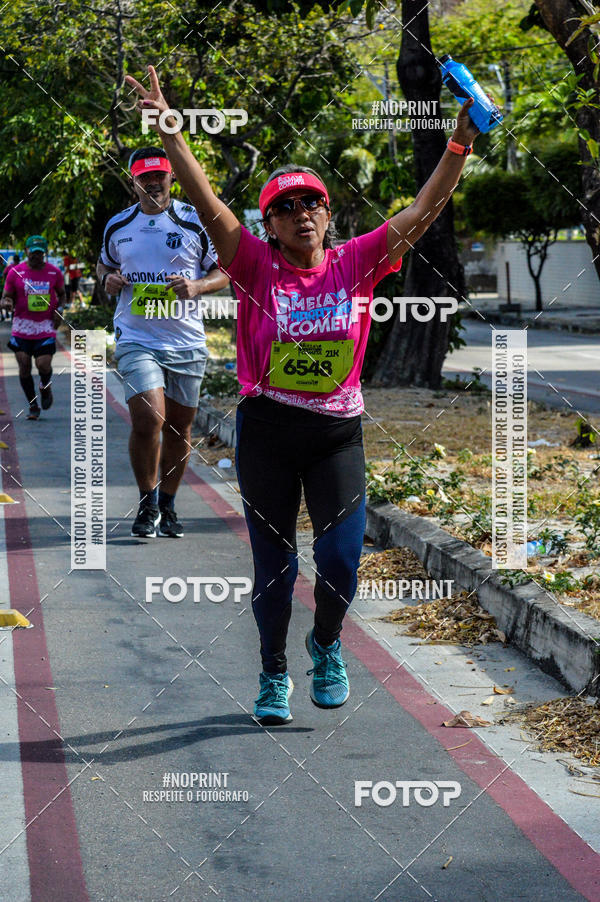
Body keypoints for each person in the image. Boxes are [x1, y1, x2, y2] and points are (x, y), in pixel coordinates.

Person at [126, 65, 479, 724]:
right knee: (276, 567)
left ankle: (325, 644)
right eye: (284, 208)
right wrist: (174, 137)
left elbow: (425, 207)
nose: (300, 214)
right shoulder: (253, 264)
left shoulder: (360, 261)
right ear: (270, 225)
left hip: (335, 436)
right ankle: (272, 671)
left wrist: (458, 144)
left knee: (342, 563)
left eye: (310, 202)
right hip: (268, 431)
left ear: (328, 211)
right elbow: (208, 206)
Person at [97, 146, 230, 539]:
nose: (153, 182)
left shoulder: (194, 223)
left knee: (178, 428)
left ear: (172, 177)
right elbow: (104, 262)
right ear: (133, 182)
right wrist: (107, 277)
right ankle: (147, 500)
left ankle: (169, 504)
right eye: (145, 177)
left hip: (186, 341)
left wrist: (197, 285)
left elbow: (224, 271)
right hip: (137, 337)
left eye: (160, 175)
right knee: (148, 418)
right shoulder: (118, 225)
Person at [1, 236, 65, 419]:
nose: (36, 256)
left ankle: (45, 387)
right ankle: (33, 405)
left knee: (43, 364)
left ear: (44, 253)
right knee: (24, 365)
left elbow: (62, 294)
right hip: (22, 326)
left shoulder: (54, 273)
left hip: (45, 326)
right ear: (26, 251)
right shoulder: (16, 272)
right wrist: (6, 302)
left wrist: (60, 310)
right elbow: (7, 295)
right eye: (33, 252)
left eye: (39, 252)